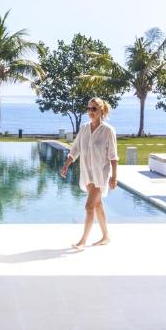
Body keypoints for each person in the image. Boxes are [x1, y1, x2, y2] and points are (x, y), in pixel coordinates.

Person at [59, 97, 118, 248]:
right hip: (87, 173)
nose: (91, 112)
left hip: (101, 174)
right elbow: (75, 149)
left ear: (102, 111)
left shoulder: (108, 131)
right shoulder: (84, 128)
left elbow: (113, 156)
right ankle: (106, 236)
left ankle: (83, 240)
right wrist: (66, 165)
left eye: (94, 109)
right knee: (97, 205)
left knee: (89, 206)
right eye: (89, 109)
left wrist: (114, 176)